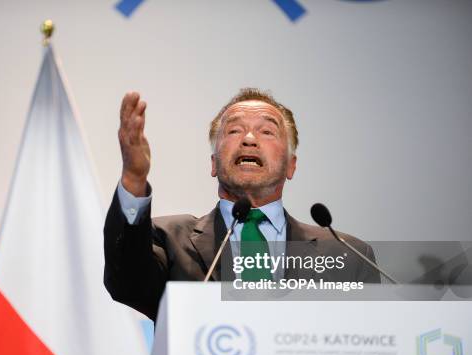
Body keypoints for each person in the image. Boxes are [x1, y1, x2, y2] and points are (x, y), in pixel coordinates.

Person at [104, 88, 380, 322]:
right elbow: (127, 283)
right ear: (214, 163)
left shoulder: (348, 256)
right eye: (234, 130)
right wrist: (133, 178)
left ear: (291, 165)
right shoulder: (168, 239)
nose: (249, 139)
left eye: (267, 132)